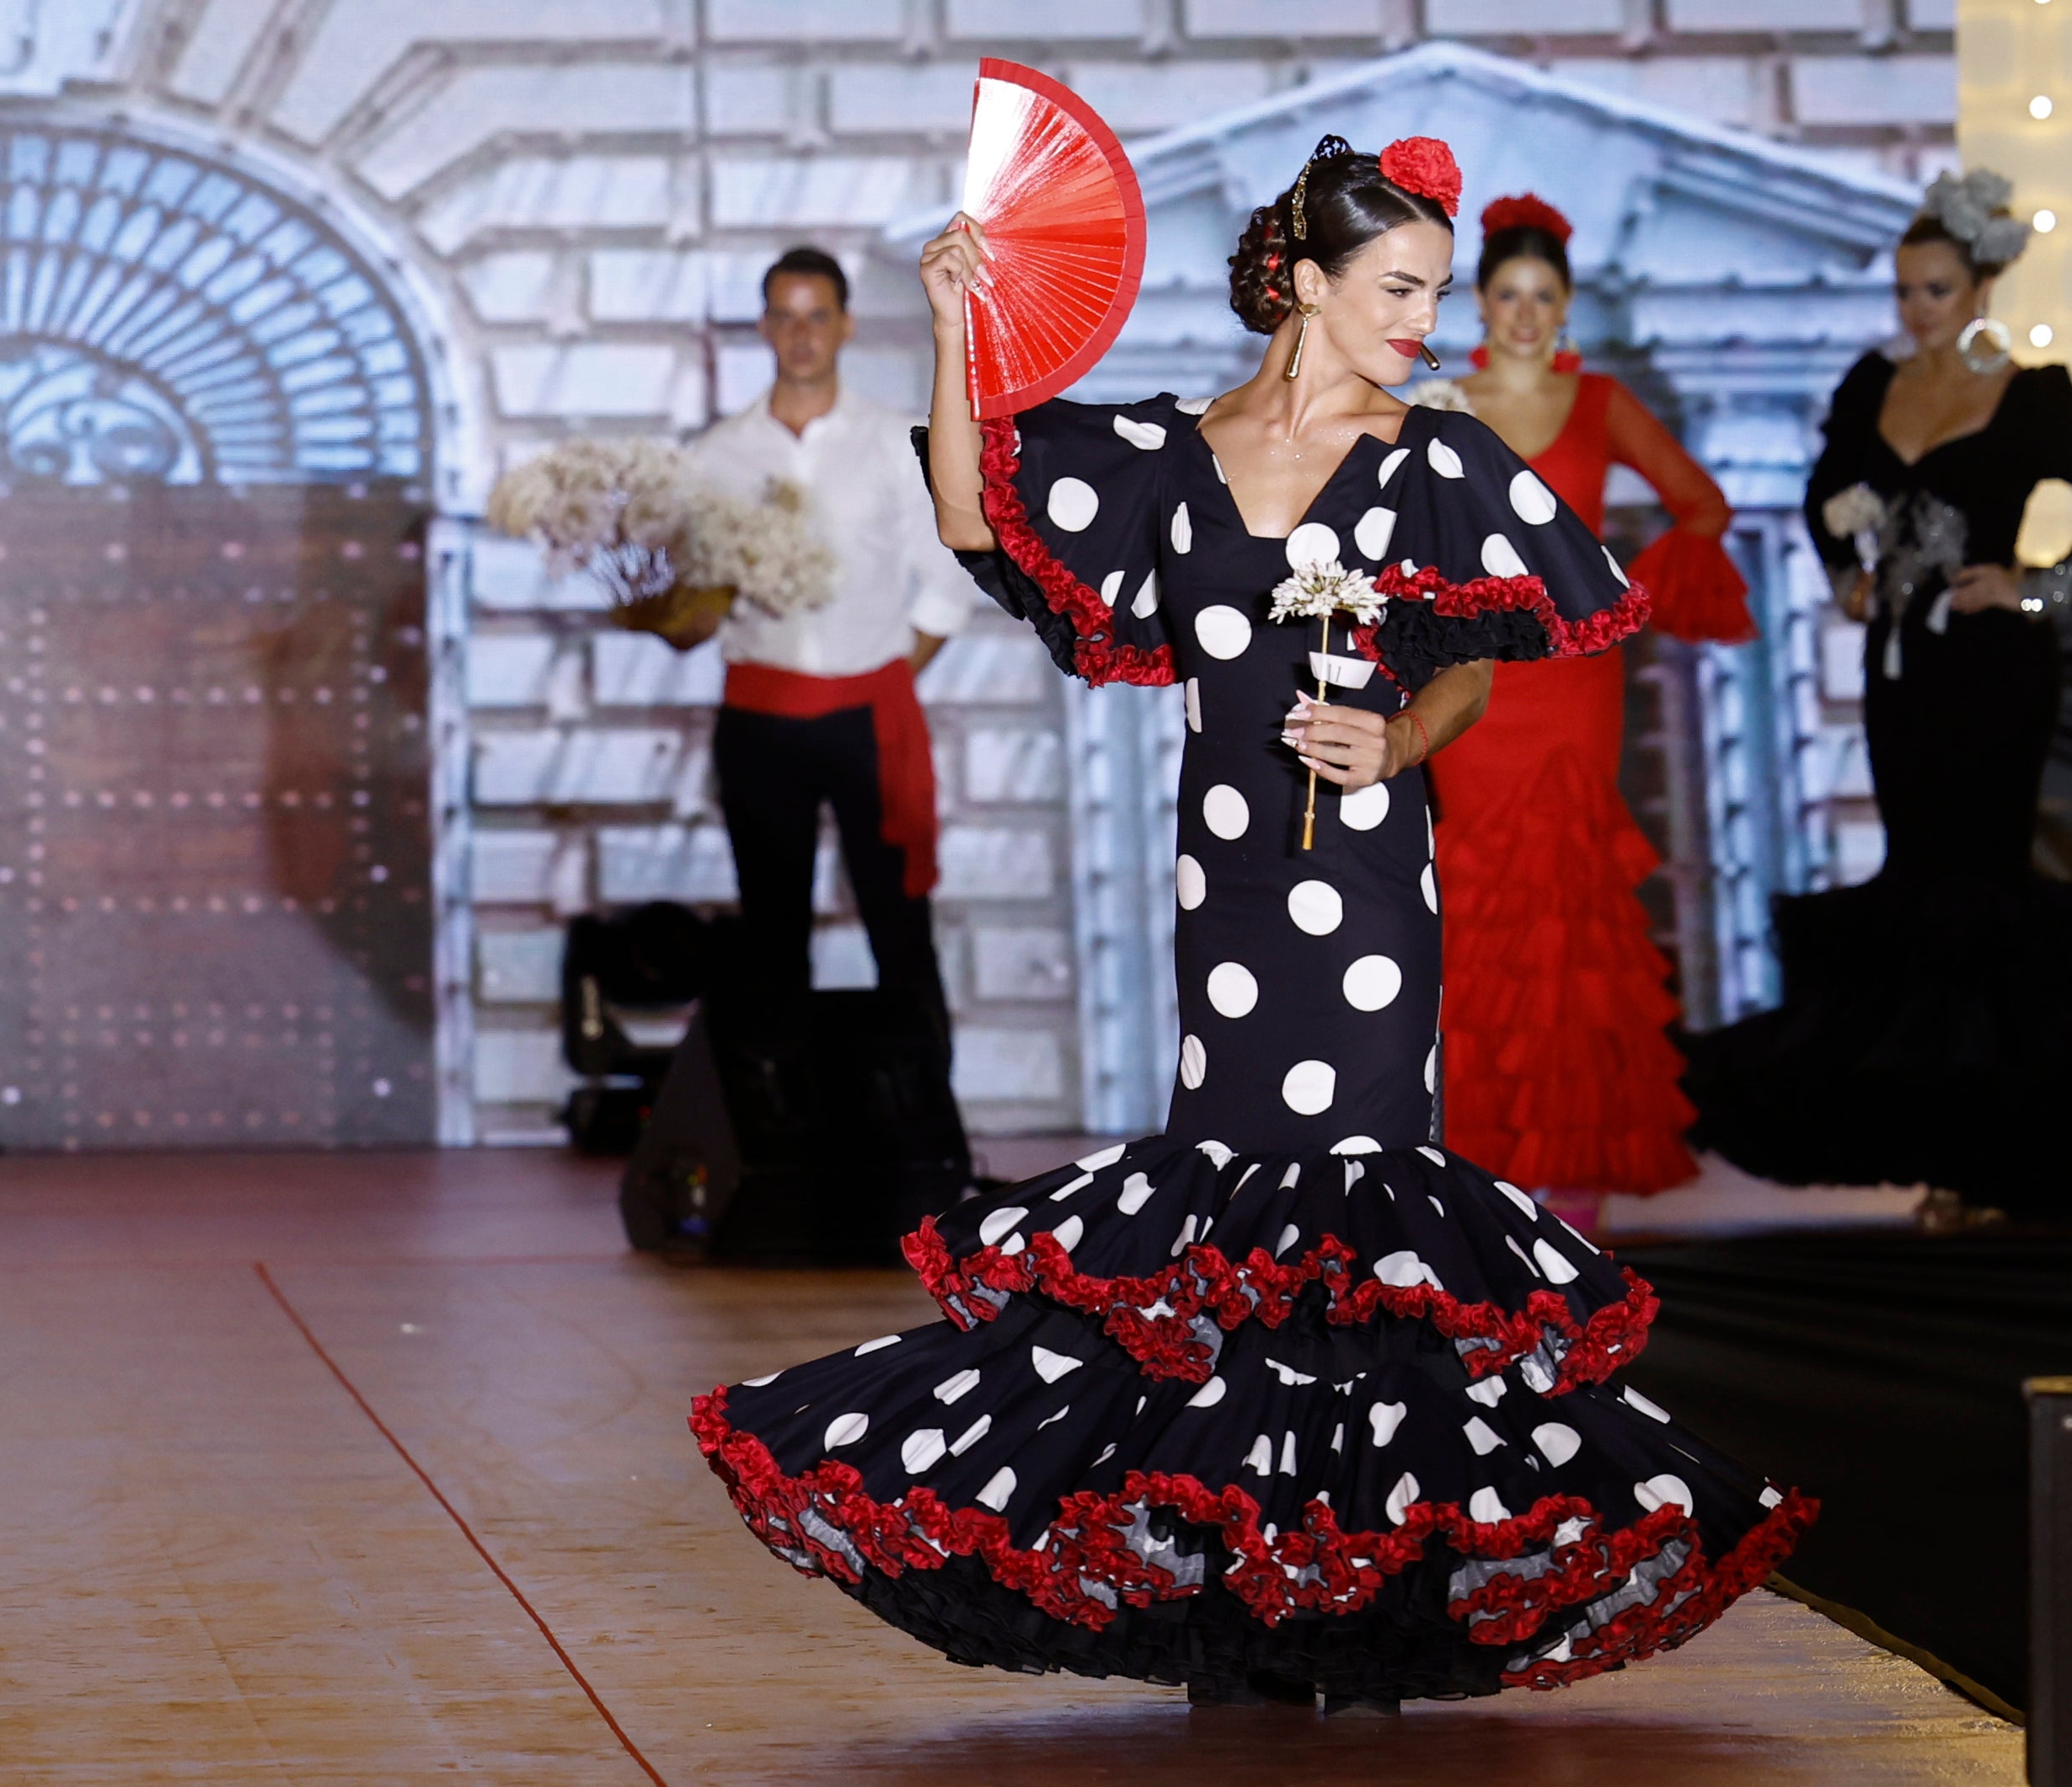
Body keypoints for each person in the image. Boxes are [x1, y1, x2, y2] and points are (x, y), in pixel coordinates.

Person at [691, 135, 1810, 1715]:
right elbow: (972, 520)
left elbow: (1480, 660)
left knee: (1353, 1227)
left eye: (1432, 289)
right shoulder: (1165, 449)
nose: (1423, 319)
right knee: (1220, 1223)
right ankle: (1238, 1569)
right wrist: (951, 330)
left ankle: (1351, 1593)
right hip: (1220, 904)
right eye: (1398, 287)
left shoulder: (1432, 455)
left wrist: (1396, 740)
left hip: (1363, 902)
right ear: (1303, 283)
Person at [1679, 171, 2072, 1218]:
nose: (1914, 311)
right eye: (1903, 291)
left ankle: (1995, 1161)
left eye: (1935, 291)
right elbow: (1823, 497)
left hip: (1995, 674)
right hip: (1901, 673)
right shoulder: (1872, 385)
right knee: (1917, 888)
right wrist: (1845, 576)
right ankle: (1948, 1151)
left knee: (1981, 894)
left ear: (1981, 291)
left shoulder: (2029, 395)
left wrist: (2033, 592)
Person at [1407, 194, 1755, 1213]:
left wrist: (1610, 594)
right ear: (1477, 301)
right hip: (1477, 682)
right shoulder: (1440, 404)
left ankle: (1570, 1193)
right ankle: (1481, 1169)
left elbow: (1703, 504)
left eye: (1542, 297)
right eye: (1506, 294)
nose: (1522, 313)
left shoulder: (1601, 403)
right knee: (1474, 901)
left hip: (1570, 685)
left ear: (1565, 307)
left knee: (1565, 906)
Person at [685, 247, 973, 1049]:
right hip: (759, 718)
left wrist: (886, 675)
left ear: (844, 325)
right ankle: (780, 1149)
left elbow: (948, 573)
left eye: (817, 317)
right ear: (764, 328)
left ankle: (930, 1140)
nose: (801, 335)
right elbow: (697, 602)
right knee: (772, 933)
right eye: (785, 317)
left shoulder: (889, 440)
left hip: (864, 717)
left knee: (898, 925)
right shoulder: (717, 455)